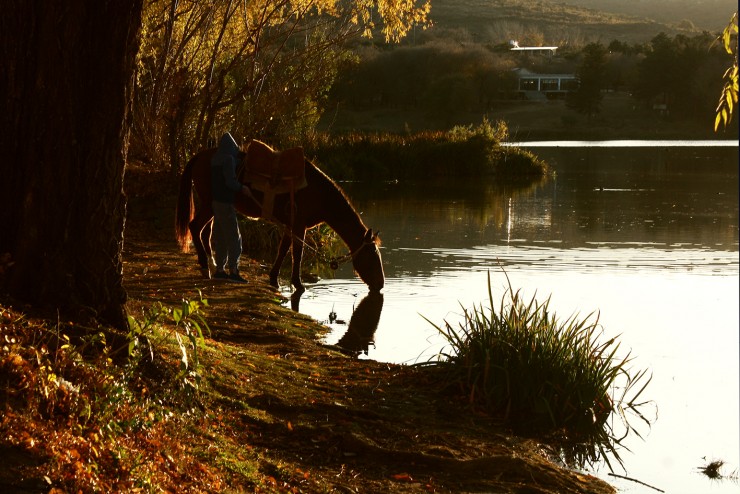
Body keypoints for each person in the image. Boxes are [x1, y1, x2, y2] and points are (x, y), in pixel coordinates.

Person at [210, 132, 252, 283]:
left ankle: (220, 270)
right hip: (226, 203)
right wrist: (242, 188)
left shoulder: (215, 159)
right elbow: (230, 181)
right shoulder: (228, 159)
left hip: (216, 202)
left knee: (221, 238)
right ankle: (234, 271)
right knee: (235, 238)